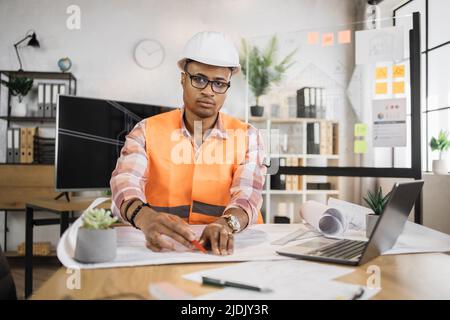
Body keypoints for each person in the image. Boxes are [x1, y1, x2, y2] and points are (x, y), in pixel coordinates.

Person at [110, 31, 266, 256]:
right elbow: (125, 182)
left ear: (227, 88)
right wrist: (146, 218)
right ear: (183, 78)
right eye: (199, 79)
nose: (208, 91)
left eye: (219, 83)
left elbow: (248, 194)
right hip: (159, 245)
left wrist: (226, 225)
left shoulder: (247, 136)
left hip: (228, 248)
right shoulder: (146, 130)